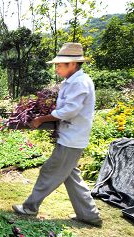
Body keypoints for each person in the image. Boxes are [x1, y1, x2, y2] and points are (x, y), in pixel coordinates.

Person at [12, 43, 102, 226]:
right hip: (70, 136)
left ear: (73, 64)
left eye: (60, 64)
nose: (57, 68)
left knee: (49, 171)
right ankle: (89, 215)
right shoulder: (72, 82)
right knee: (71, 177)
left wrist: (41, 119)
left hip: (72, 139)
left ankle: (30, 208)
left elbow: (69, 111)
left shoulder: (80, 83)